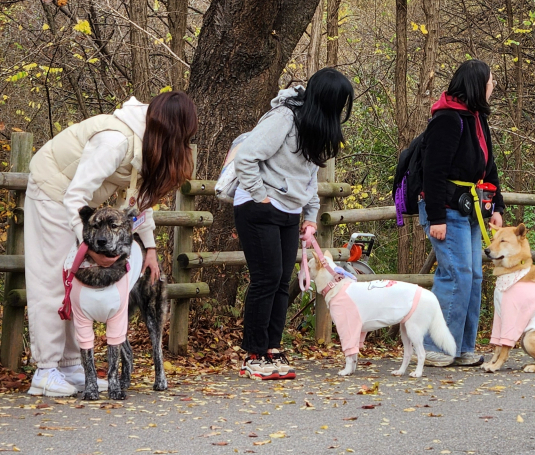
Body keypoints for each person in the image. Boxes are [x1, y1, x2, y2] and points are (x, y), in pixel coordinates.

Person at [24, 92, 196, 397]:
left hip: (76, 201)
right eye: (181, 137)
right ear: (168, 130)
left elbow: (136, 204)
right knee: (56, 279)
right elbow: (74, 195)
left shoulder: (143, 145)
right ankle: (46, 370)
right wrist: (90, 248)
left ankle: (71, 366)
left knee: (75, 284)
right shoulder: (115, 142)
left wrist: (151, 249)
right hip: (53, 192)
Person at [234, 69, 352, 379]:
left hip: (289, 211)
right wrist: (260, 196)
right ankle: (253, 353)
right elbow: (245, 156)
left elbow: (309, 178)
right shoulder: (284, 117)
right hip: (257, 205)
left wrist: (310, 218)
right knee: (267, 277)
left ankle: (272, 347)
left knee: (283, 280)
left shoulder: (316, 127)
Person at [417, 59, 505, 366]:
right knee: (455, 275)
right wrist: (437, 217)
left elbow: (488, 166)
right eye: (491, 80)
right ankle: (434, 347)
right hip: (446, 209)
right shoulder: (447, 119)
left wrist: (497, 206)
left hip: (471, 208)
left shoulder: (477, 119)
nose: (493, 85)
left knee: (474, 275)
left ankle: (462, 346)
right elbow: (433, 170)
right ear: (477, 84)